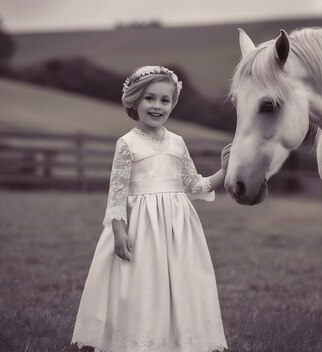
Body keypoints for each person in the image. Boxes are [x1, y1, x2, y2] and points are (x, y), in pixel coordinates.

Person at [72, 65, 229, 352]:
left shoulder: (177, 142)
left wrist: (224, 171)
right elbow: (117, 192)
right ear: (134, 101)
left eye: (164, 100)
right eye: (149, 98)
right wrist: (119, 231)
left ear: (172, 104)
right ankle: (137, 340)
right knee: (141, 285)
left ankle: (179, 339)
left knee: (180, 282)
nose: (157, 106)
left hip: (177, 227)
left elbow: (193, 184)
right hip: (141, 227)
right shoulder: (127, 144)